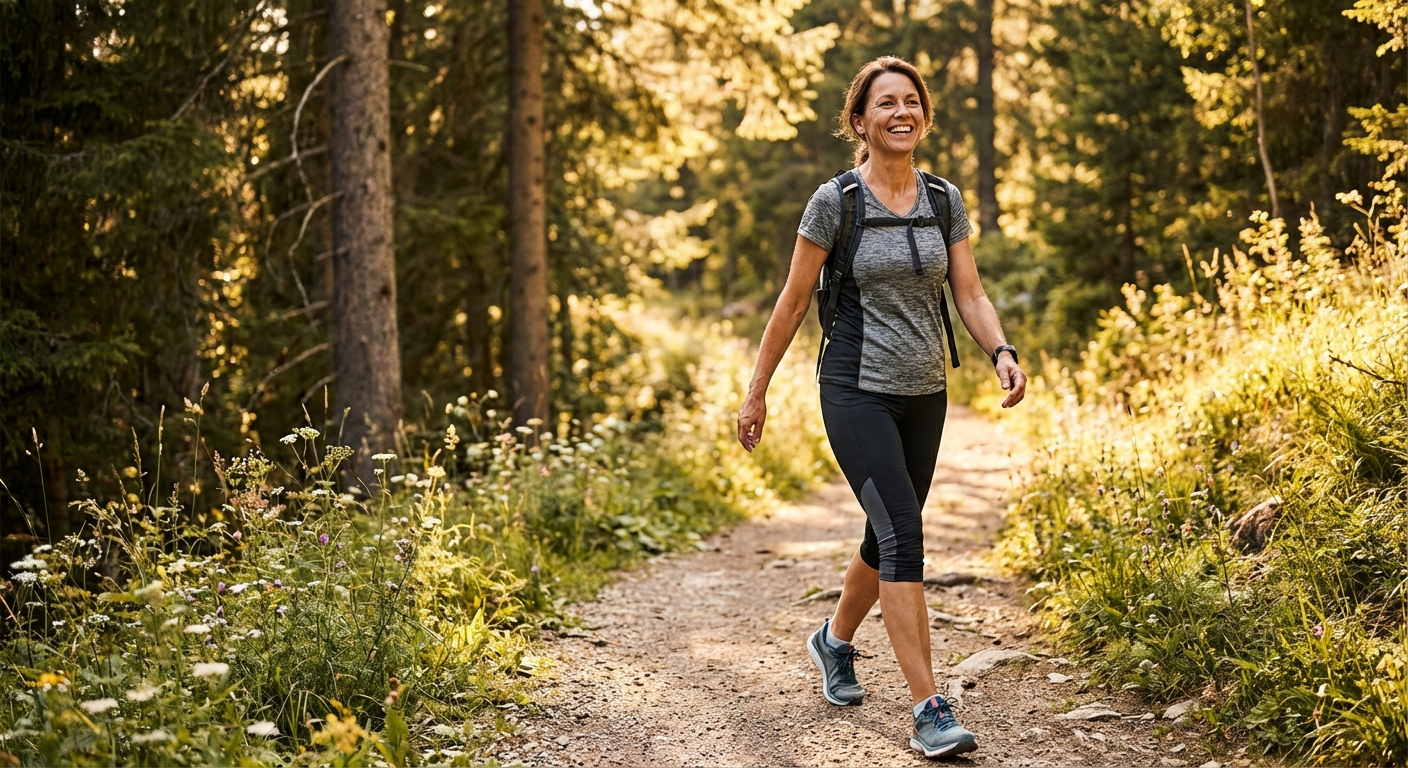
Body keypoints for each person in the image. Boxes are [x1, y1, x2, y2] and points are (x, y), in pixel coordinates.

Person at [736, 56, 1028, 759]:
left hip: (925, 392)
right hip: (854, 388)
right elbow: (793, 299)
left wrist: (1001, 351)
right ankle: (929, 708)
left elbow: (970, 293)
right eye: (885, 104)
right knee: (902, 535)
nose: (901, 113)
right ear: (860, 121)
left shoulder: (942, 198)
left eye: (911, 102)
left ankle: (832, 642)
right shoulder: (836, 202)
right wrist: (757, 388)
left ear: (923, 114)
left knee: (886, 531)